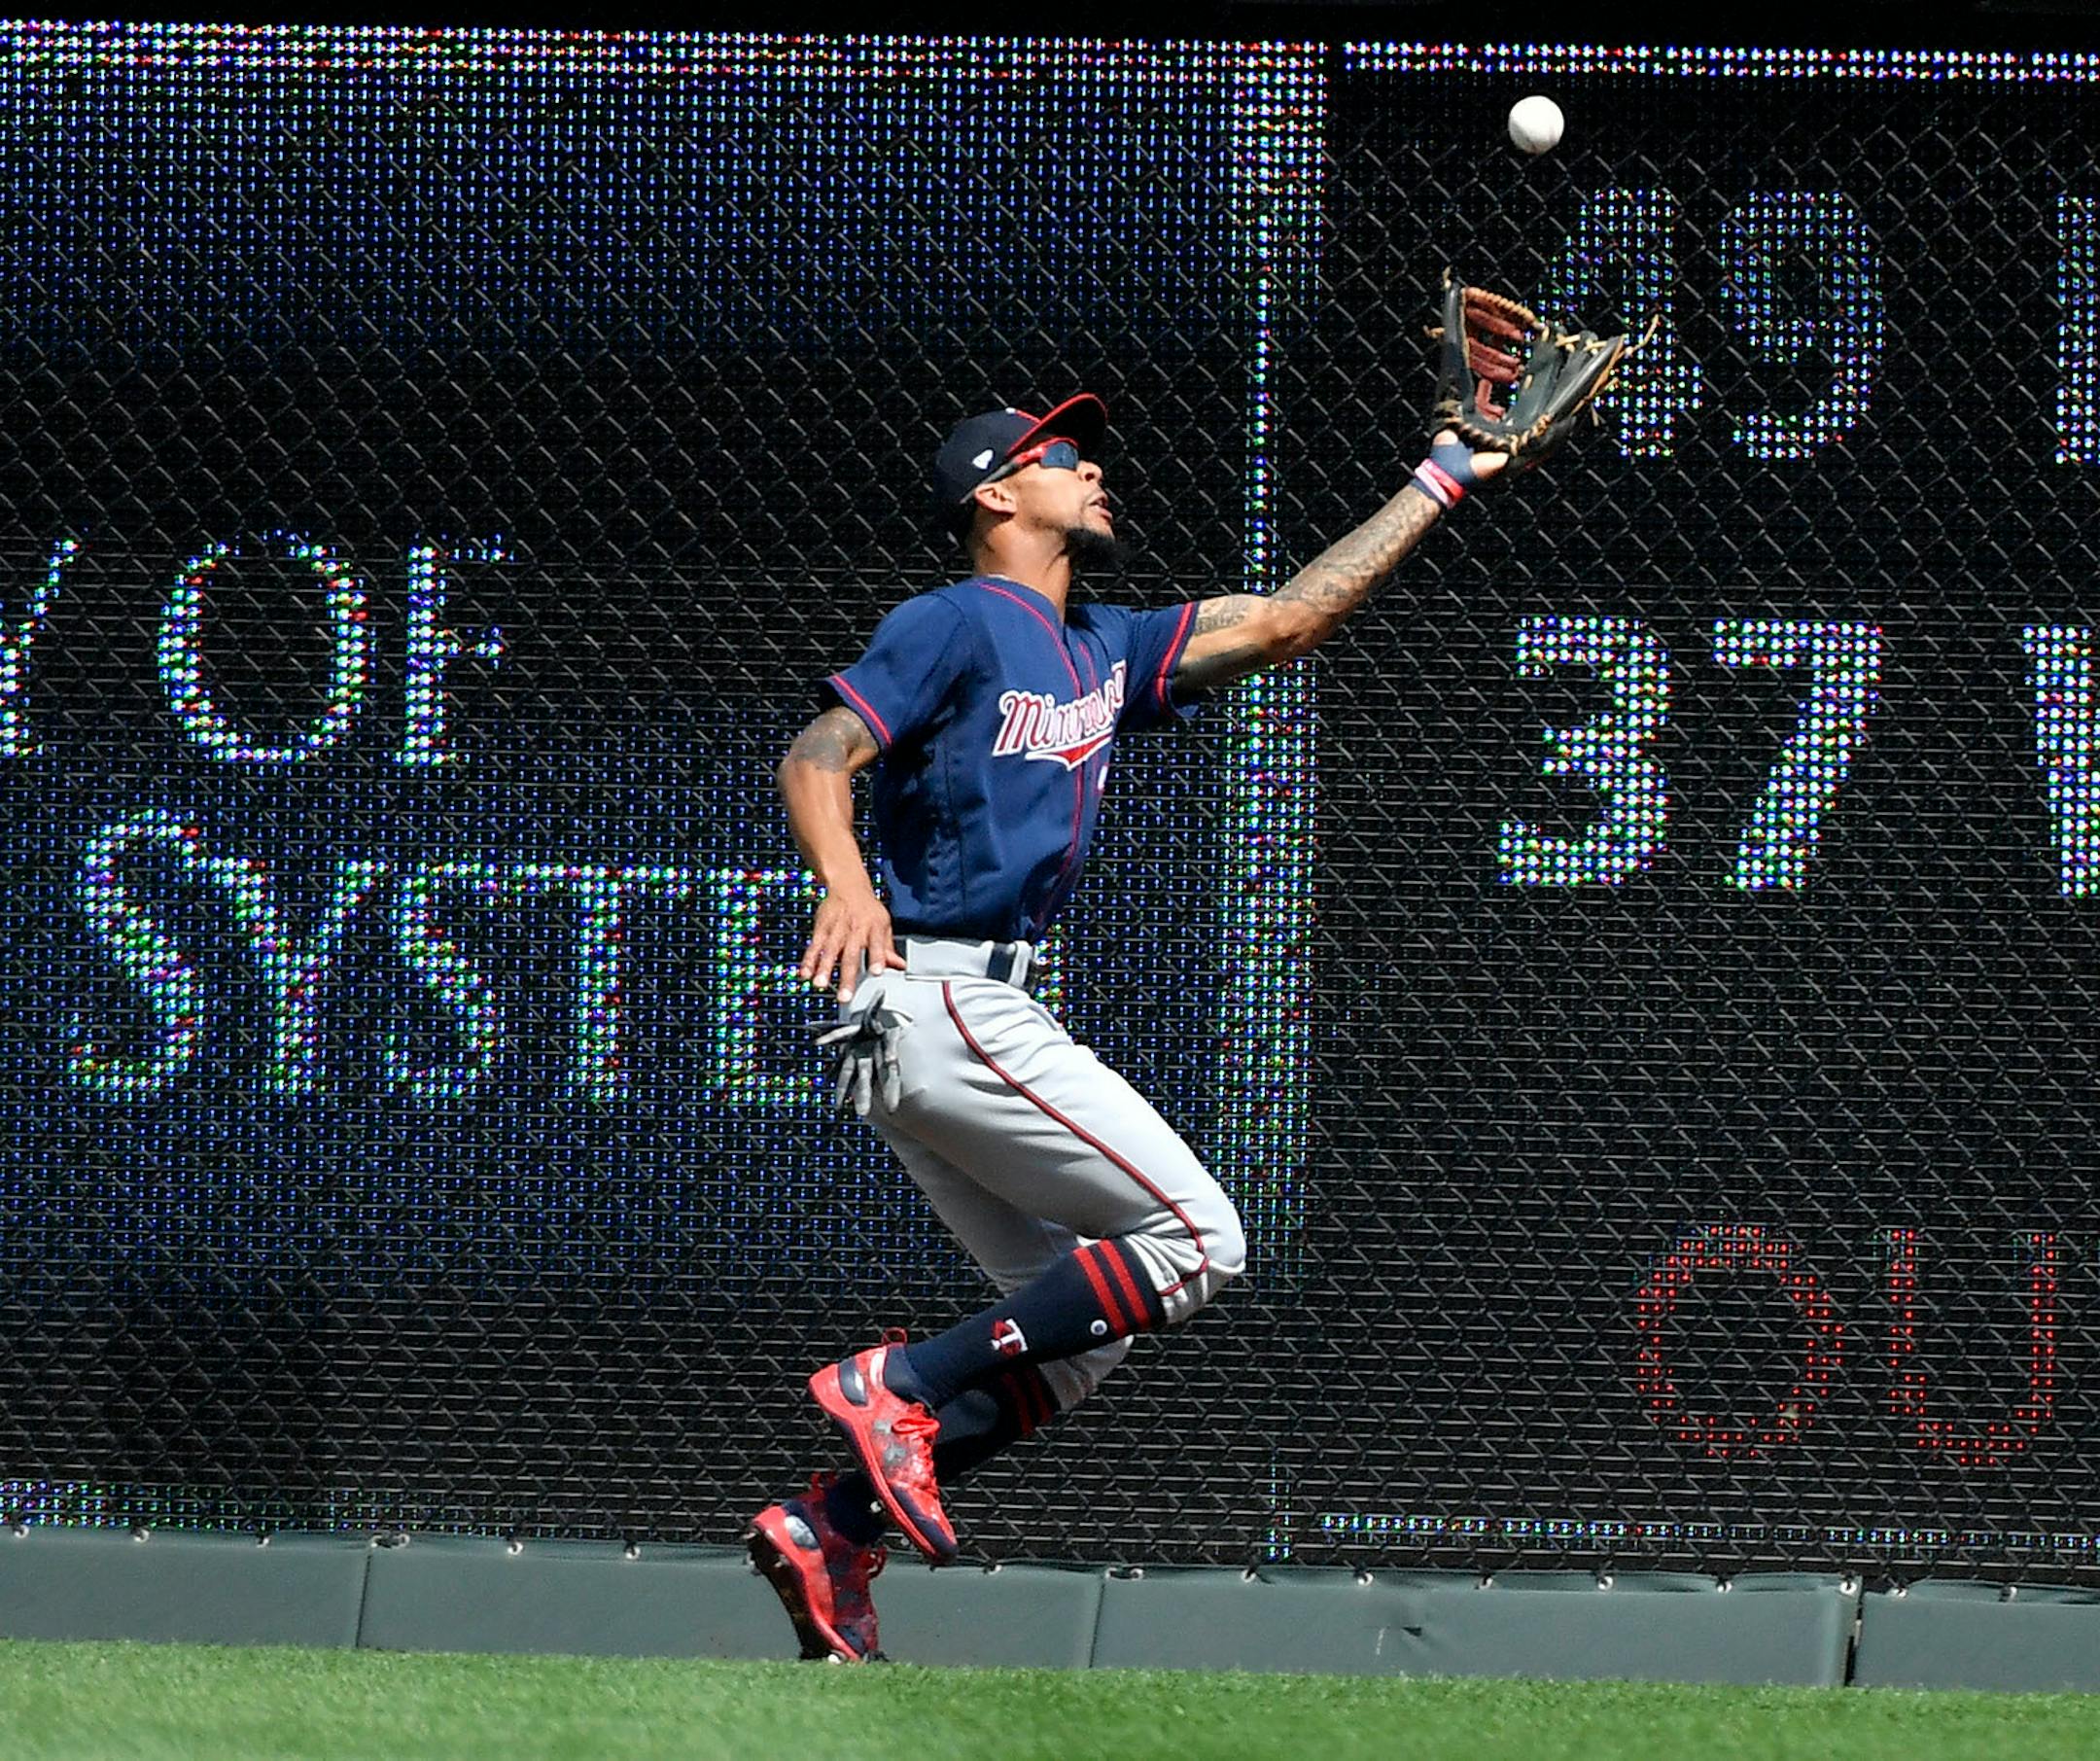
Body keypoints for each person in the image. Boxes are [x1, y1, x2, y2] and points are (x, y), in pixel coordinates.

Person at [744, 388, 1510, 1663]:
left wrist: (1441, 474)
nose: (1092, 465)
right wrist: (844, 878)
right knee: (1201, 1237)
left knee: (1080, 1337)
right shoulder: (955, 623)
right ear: (996, 493)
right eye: (1059, 454)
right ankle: (904, 1385)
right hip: (934, 991)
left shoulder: (1099, 643)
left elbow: (1292, 616)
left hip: (919, 1021)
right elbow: (818, 753)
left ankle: (832, 1526)